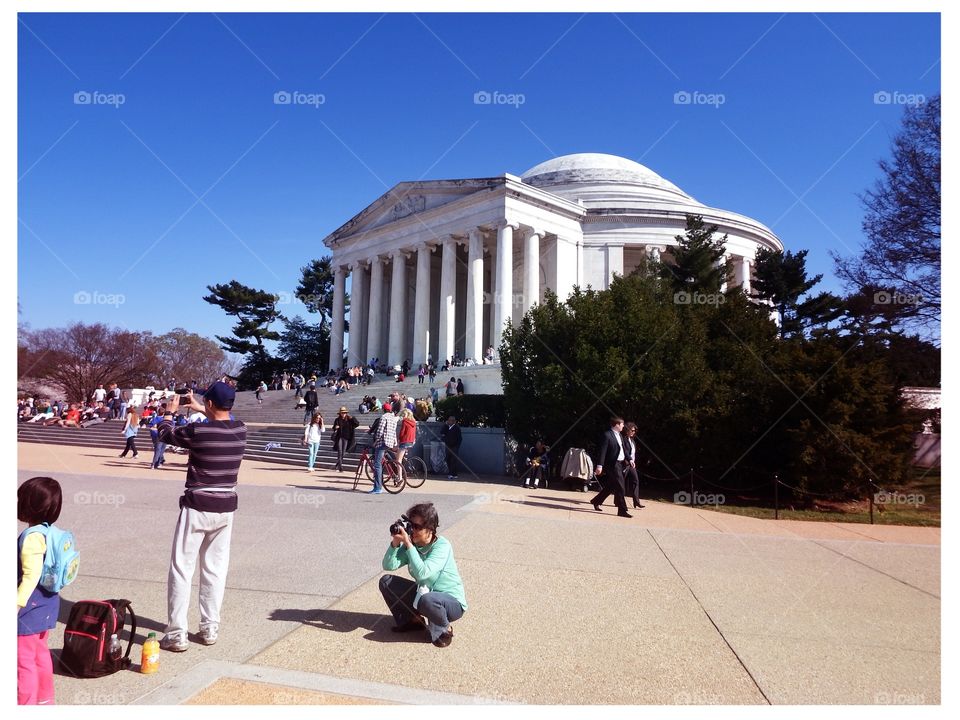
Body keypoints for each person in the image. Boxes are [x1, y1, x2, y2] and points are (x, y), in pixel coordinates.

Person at [156, 382, 247, 652]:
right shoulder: (241, 430)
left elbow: (165, 434)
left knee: (182, 569)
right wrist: (203, 408)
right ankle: (209, 626)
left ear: (208, 404)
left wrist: (170, 412)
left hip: (197, 504)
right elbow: (221, 420)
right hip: (225, 507)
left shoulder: (198, 430)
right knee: (215, 569)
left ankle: (176, 632)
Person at [379, 502, 467, 648]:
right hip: (425, 596)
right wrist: (395, 543)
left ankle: (445, 628)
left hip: (451, 603)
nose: (412, 530)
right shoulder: (414, 544)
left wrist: (408, 544)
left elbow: (422, 574)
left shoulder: (442, 546)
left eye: (417, 527)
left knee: (428, 600)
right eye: (410, 525)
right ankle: (413, 621)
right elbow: (389, 565)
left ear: (430, 529)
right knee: (386, 582)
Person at [17, 477, 66, 705]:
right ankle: (45, 700)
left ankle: (25, 704)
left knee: (22, 661)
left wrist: (15, 605)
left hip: (28, 608)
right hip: (47, 603)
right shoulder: (51, 532)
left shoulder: (31, 538)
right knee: (40, 654)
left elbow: (30, 576)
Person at [591, 417, 631, 518]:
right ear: (616, 425)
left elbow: (623, 450)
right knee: (621, 487)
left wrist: (630, 459)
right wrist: (600, 465)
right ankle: (622, 510)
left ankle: (596, 501)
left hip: (620, 464)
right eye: (622, 424)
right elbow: (603, 451)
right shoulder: (607, 435)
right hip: (612, 465)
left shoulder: (620, 436)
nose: (623, 426)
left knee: (611, 486)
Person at [369, 404, 399, 494]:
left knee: (377, 465)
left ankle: (378, 488)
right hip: (389, 442)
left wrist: (375, 441)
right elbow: (394, 431)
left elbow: (380, 431)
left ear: (383, 409)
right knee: (382, 460)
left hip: (382, 442)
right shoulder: (393, 418)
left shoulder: (383, 417)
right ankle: (389, 470)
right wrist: (395, 442)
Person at [622, 422, 644, 509]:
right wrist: (628, 460)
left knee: (635, 481)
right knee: (619, 483)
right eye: (632, 430)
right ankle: (617, 500)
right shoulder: (623, 439)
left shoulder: (632, 441)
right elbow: (625, 452)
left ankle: (636, 502)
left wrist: (632, 461)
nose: (634, 432)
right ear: (627, 430)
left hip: (631, 465)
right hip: (624, 464)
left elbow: (633, 453)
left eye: (635, 431)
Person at [331, 406, 359, 472]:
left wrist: (353, 418)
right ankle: (340, 467)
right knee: (340, 452)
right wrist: (335, 427)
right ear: (340, 413)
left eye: (344, 413)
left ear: (346, 413)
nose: (343, 414)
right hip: (339, 437)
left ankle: (337, 464)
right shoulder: (337, 420)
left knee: (343, 452)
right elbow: (333, 428)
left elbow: (357, 424)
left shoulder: (349, 419)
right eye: (342, 413)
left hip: (346, 438)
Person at [440, 415, 462, 479]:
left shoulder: (457, 428)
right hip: (448, 446)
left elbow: (460, 438)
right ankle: (452, 473)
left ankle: (452, 474)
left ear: (454, 421)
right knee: (448, 459)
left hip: (454, 446)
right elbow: (442, 432)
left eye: (450, 420)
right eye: (448, 420)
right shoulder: (447, 427)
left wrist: (457, 446)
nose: (449, 421)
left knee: (453, 461)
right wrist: (445, 425)